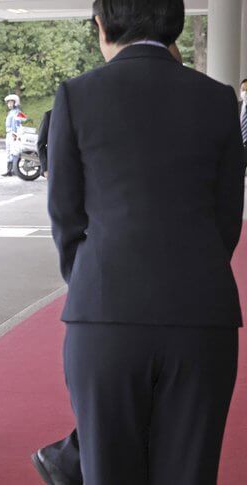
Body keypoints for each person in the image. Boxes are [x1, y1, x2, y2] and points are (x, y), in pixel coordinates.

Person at [47, 0, 244, 483]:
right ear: (173, 22)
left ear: (101, 24)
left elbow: (65, 214)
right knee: (189, 472)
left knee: (107, 468)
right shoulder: (219, 99)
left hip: (104, 314)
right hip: (201, 315)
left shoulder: (76, 95)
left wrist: (95, 278)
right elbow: (227, 216)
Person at [33, 40, 187, 485]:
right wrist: (82, 274)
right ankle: (70, 456)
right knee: (124, 399)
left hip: (157, 287)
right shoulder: (82, 102)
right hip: (115, 284)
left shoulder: (185, 117)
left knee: (141, 398)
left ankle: (67, 457)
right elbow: (65, 211)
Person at [2, 94, 22, 176]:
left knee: (13, 151)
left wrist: (14, 134)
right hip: (9, 133)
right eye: (8, 103)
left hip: (13, 134)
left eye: (11, 103)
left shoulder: (17, 112)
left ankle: (13, 170)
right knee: (9, 151)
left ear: (15, 103)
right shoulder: (10, 112)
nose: (9, 104)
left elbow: (16, 124)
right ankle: (9, 170)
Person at [37, 110, 51, 178]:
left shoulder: (80, 115)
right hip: (56, 168)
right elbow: (40, 144)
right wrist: (45, 168)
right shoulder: (50, 115)